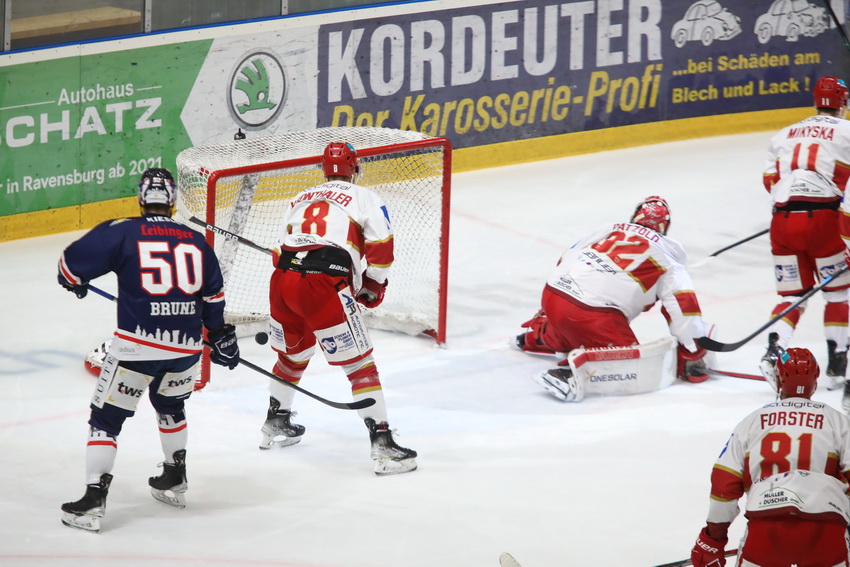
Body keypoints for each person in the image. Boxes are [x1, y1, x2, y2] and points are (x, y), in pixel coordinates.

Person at [57, 168, 240, 532]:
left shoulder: (122, 230)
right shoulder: (195, 239)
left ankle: (93, 499)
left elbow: (69, 266)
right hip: (186, 349)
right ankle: (174, 476)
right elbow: (213, 297)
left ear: (141, 199)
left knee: (106, 419)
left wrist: (74, 281)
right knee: (171, 406)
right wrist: (220, 334)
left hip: (136, 348)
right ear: (172, 201)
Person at [261, 142, 417, 476]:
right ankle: (384, 445)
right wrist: (373, 283)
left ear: (323, 170)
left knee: (293, 354)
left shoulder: (301, 197)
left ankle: (275, 421)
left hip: (282, 281)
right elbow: (381, 247)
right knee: (360, 364)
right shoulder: (364, 197)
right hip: (322, 283)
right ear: (355, 169)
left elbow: (281, 248)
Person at [514, 196, 711, 401]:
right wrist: (691, 351)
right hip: (591, 314)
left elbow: (566, 258)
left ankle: (539, 335)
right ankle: (571, 375)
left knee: (575, 322)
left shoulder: (608, 230)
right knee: (634, 365)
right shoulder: (670, 260)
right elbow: (683, 307)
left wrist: (552, 304)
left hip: (552, 294)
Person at [690, 347, 850, 567]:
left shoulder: (752, 422)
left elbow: (724, 485)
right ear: (815, 379)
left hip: (765, 531)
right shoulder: (839, 422)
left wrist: (713, 537)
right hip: (826, 530)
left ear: (777, 378)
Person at [761, 75, 850, 391]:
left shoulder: (783, 133)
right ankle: (837, 361)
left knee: (792, 296)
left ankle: (774, 350)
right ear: (843, 103)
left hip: (782, 222)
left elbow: (770, 182)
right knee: (837, 294)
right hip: (825, 223)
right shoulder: (847, 131)